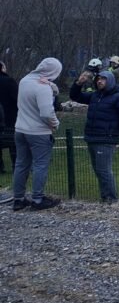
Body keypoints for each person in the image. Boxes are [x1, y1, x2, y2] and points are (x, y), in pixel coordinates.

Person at [68, 69, 119, 204]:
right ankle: (105, 197)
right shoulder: (95, 95)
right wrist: (78, 83)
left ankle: (111, 200)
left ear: (110, 81)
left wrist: (113, 129)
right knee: (98, 170)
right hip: (92, 137)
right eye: (98, 79)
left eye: (103, 79)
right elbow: (76, 96)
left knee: (104, 170)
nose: (99, 81)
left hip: (105, 139)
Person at [12, 57, 63, 211]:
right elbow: (47, 112)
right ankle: (38, 200)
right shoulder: (42, 88)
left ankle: (18, 199)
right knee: (40, 165)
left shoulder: (24, 80)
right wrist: (55, 123)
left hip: (20, 129)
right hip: (38, 132)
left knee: (21, 164)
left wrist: (52, 88)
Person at [0, 61, 18, 173]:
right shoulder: (9, 81)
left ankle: (0, 168)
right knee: (13, 143)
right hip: (10, 116)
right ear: (2, 68)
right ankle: (15, 165)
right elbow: (17, 100)